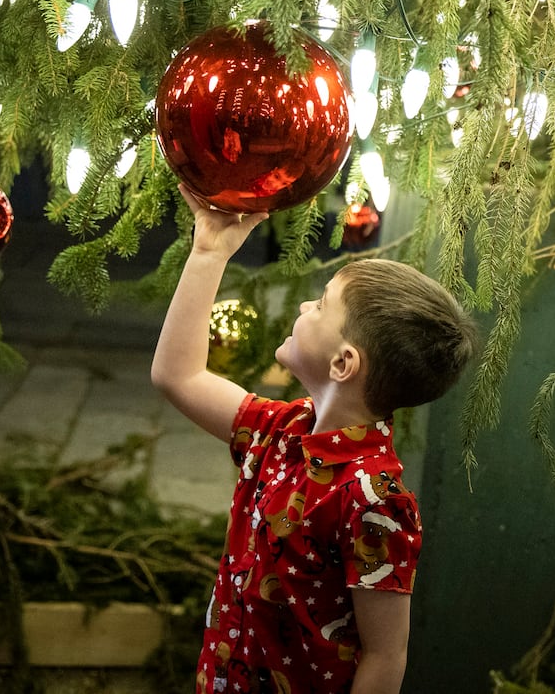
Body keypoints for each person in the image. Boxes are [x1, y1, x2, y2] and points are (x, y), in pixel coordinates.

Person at [151, 185, 479, 694]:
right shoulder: (281, 430)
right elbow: (179, 375)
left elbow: (386, 654)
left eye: (322, 305)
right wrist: (208, 252)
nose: (305, 303)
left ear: (343, 363)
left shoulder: (373, 499)